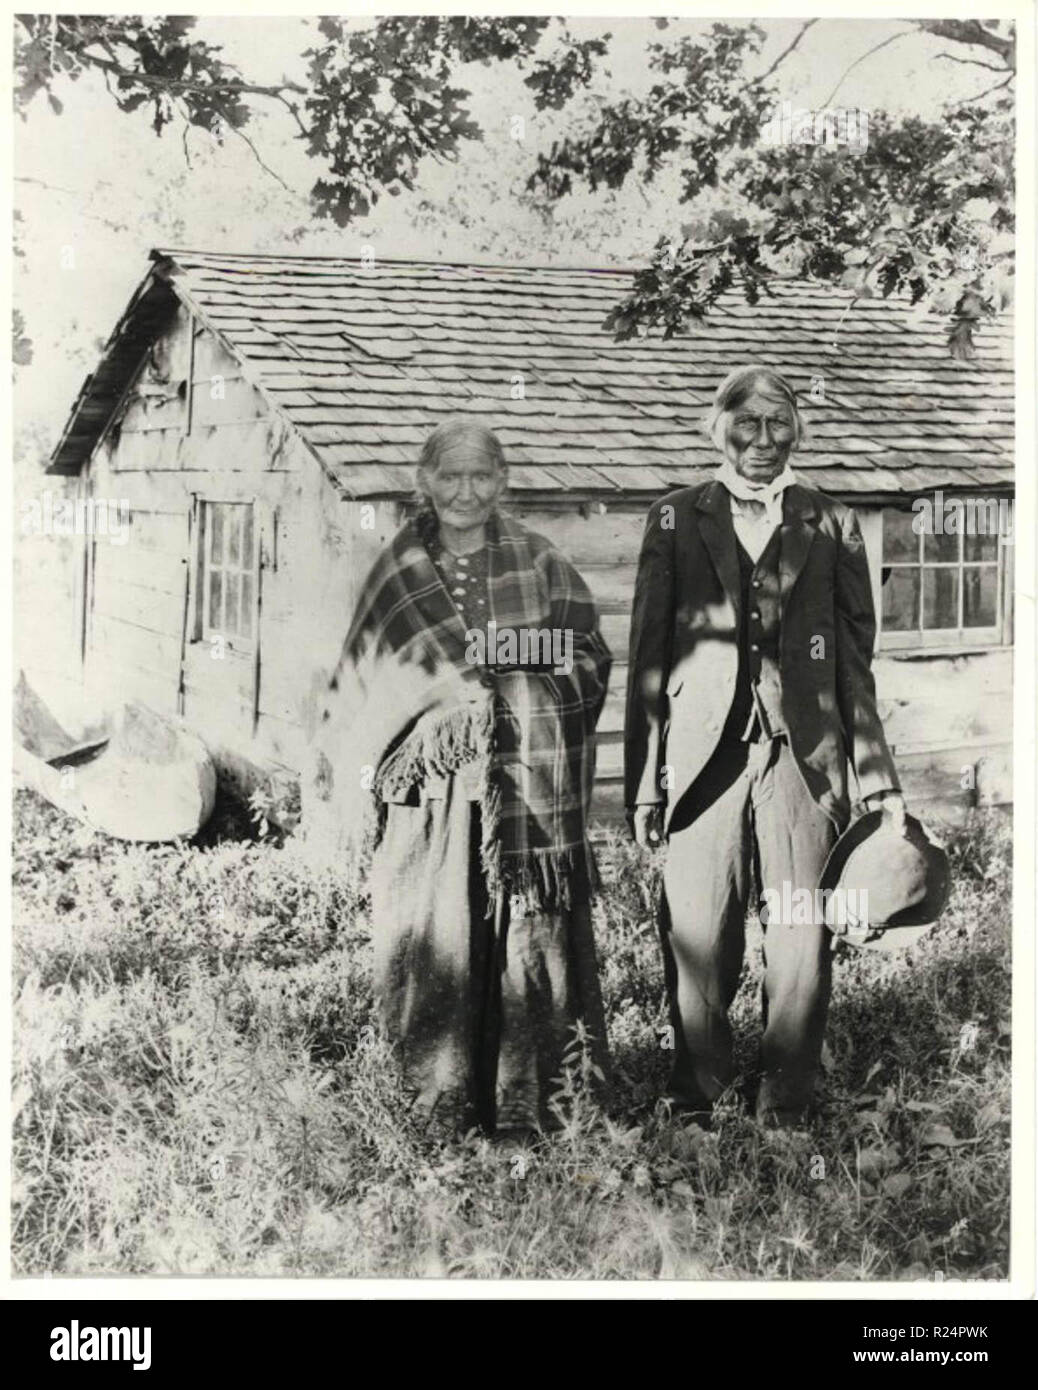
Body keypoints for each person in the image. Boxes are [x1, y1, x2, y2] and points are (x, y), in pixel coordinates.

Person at [624, 365, 905, 1128]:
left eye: (779, 423)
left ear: (797, 432)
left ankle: (786, 1106)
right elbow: (648, 656)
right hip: (703, 758)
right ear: (717, 429)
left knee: (801, 932)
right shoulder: (677, 518)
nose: (763, 440)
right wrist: (646, 781)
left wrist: (875, 775)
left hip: (803, 759)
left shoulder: (832, 521)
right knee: (699, 930)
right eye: (746, 423)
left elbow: (854, 661)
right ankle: (695, 1100)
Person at [329, 419, 612, 1137]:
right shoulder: (396, 569)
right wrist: (453, 709)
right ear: (425, 483)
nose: (465, 492)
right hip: (435, 792)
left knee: (529, 935)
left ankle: (537, 1105)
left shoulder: (540, 560)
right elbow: (365, 682)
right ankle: (439, 1101)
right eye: (449, 477)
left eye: (481, 476)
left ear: (502, 483)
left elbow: (589, 657)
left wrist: (511, 694)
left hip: (525, 790)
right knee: (441, 932)